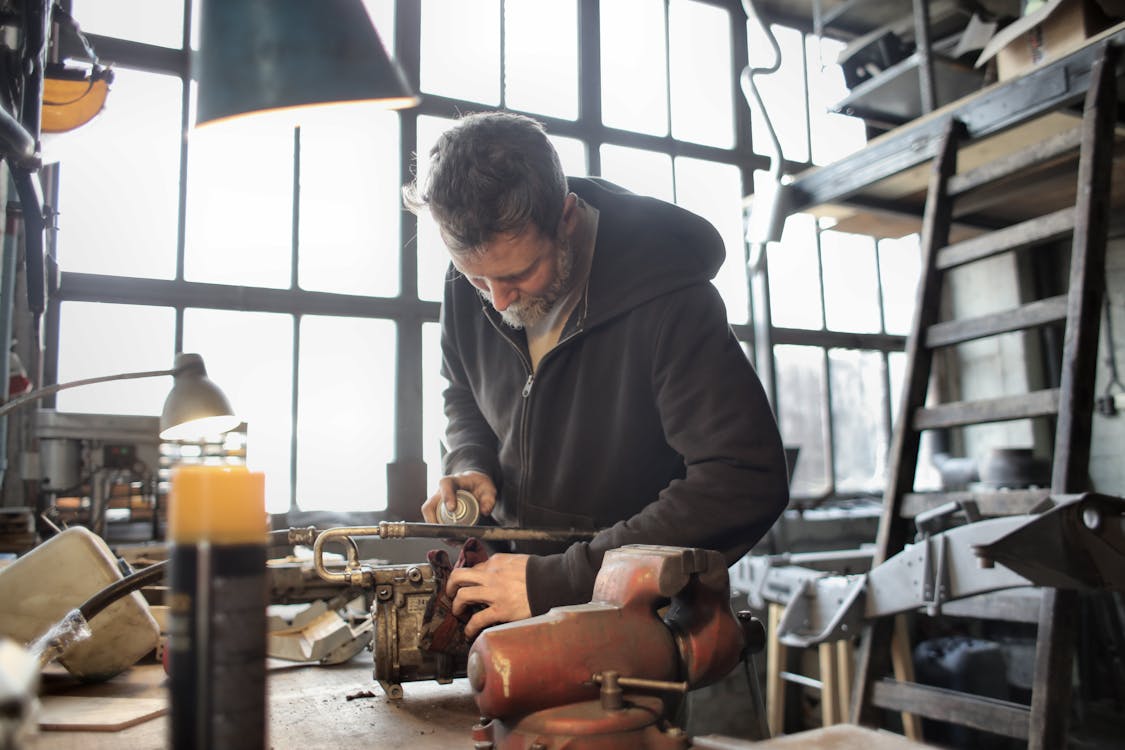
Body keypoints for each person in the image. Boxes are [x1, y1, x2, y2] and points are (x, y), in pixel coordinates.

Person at [403, 111, 788, 640]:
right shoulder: (470, 278)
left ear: (566, 218)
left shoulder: (672, 301)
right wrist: (471, 460)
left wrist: (561, 579)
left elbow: (741, 479)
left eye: (517, 274)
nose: (496, 299)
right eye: (475, 278)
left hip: (637, 621)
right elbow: (463, 392)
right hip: (506, 593)